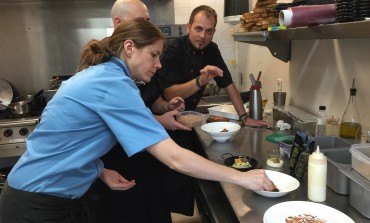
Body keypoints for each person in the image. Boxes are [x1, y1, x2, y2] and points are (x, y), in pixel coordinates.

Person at [0, 18, 274, 223]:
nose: (158, 64)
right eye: (154, 55)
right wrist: (242, 178)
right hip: (37, 205)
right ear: (129, 48)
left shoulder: (104, 75)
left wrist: (98, 169)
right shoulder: (114, 83)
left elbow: (72, 141)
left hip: (48, 196)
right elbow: (175, 158)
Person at [155, 5, 272, 216]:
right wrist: (201, 80)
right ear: (188, 27)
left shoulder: (212, 50)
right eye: (198, 29)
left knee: (186, 181)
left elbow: (228, 83)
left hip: (189, 122)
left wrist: (244, 117)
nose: (203, 36)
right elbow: (170, 93)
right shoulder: (173, 51)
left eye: (209, 31)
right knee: (168, 182)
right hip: (165, 122)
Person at [92, 1, 190, 223]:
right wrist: (158, 122)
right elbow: (117, 122)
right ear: (119, 24)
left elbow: (150, 98)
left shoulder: (138, 61)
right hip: (120, 162)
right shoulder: (109, 73)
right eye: (142, 22)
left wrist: (165, 107)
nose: (158, 64)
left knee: (155, 209)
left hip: (148, 155)